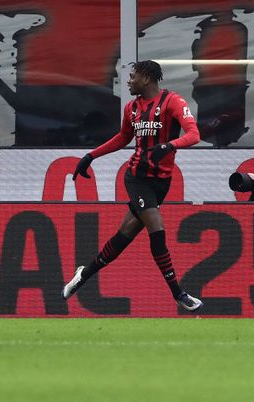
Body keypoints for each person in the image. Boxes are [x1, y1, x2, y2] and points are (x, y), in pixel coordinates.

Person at [64, 60, 204, 312]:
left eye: (132, 76)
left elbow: (194, 135)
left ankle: (85, 273)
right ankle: (178, 293)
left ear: (147, 78)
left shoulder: (172, 102)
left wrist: (170, 145)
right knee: (157, 230)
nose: (128, 81)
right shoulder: (131, 108)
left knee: (124, 235)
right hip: (137, 177)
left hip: (162, 182)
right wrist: (90, 156)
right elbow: (123, 137)